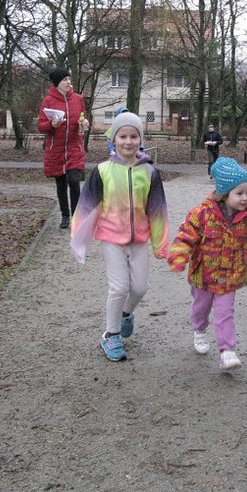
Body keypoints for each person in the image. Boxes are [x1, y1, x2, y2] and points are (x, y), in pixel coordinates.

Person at [168, 157, 247, 370]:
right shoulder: (203, 214)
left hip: (230, 276)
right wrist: (179, 256)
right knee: (201, 308)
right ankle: (199, 329)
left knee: (225, 312)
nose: (245, 198)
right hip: (204, 275)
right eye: (239, 193)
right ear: (224, 194)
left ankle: (227, 350)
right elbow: (186, 234)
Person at [70, 112, 169, 362]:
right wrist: (79, 240)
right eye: (123, 136)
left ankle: (126, 314)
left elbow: (157, 209)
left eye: (133, 136)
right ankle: (111, 334)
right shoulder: (102, 171)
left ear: (140, 139)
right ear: (114, 140)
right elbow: (86, 205)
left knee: (139, 288)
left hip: (139, 240)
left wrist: (160, 243)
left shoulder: (149, 172)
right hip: (111, 238)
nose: (128, 141)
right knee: (119, 287)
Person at [37, 68, 89, 229]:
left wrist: (85, 124)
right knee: (61, 183)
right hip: (56, 149)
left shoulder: (78, 99)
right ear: (57, 83)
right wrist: (52, 125)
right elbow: (40, 126)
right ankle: (65, 216)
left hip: (74, 146)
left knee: (74, 180)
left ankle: (77, 217)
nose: (68, 82)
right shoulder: (48, 101)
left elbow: (83, 118)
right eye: (65, 80)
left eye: (69, 79)